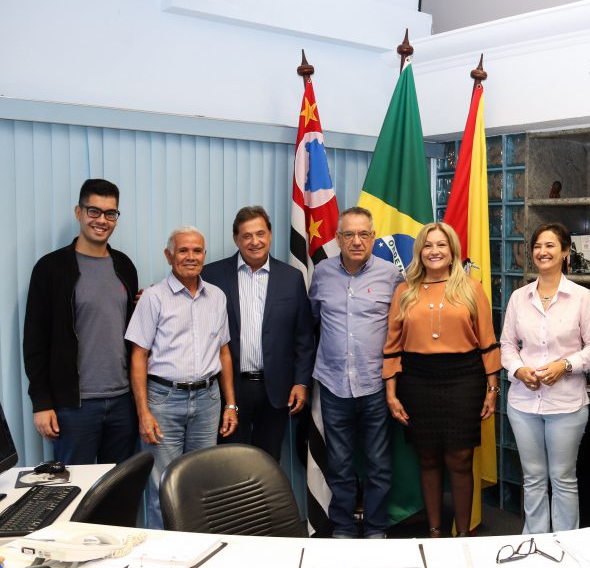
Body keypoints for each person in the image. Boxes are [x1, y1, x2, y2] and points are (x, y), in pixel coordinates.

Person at [383, 222, 500, 537]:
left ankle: (461, 535)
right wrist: (391, 394)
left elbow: (487, 341)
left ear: (452, 252)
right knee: (428, 456)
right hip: (417, 380)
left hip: (463, 378)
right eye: (428, 245)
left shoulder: (472, 288)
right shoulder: (404, 291)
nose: (434, 251)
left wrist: (492, 389)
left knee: (460, 458)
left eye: (441, 245)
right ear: (419, 252)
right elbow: (392, 346)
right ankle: (435, 531)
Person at [126, 226, 239, 528]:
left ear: (204, 255)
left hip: (208, 400)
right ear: (169, 256)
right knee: (161, 486)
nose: (191, 257)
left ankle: (196, 552)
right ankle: (161, 560)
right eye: (183, 250)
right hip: (163, 401)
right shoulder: (153, 298)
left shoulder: (216, 297)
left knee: (201, 483)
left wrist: (230, 404)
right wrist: (143, 413)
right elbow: (138, 357)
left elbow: (223, 352)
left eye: (197, 250)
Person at [23, 178, 140, 464]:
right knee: (75, 496)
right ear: (79, 212)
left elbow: (131, 330)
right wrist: (42, 403)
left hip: (123, 402)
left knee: (119, 492)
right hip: (74, 407)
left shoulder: (124, 265)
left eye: (110, 213)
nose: (102, 220)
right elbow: (35, 342)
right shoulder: (50, 269)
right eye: (94, 211)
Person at [501, 222, 590, 534]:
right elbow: (506, 345)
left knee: (562, 478)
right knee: (532, 478)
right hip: (523, 402)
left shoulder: (581, 297)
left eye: (550, 246)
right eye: (537, 246)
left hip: (567, 403)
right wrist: (518, 370)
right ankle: (535, 541)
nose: (543, 252)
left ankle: (565, 544)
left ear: (563, 253)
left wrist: (566, 365)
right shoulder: (520, 297)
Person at [308, 207, 403, 539]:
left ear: (373, 238)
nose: (357, 241)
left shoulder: (391, 275)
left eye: (364, 234)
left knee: (378, 465)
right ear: (338, 239)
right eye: (349, 234)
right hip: (334, 385)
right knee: (340, 465)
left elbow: (402, 327)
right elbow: (314, 320)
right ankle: (344, 527)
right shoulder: (321, 273)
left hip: (376, 385)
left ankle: (376, 527)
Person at [202, 206, 313, 462]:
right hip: (229, 390)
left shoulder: (291, 278)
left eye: (260, 233)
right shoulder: (212, 275)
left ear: (270, 235)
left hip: (276, 390)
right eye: (247, 236)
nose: (255, 242)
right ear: (236, 239)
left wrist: (301, 382)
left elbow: (304, 337)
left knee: (268, 463)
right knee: (228, 464)